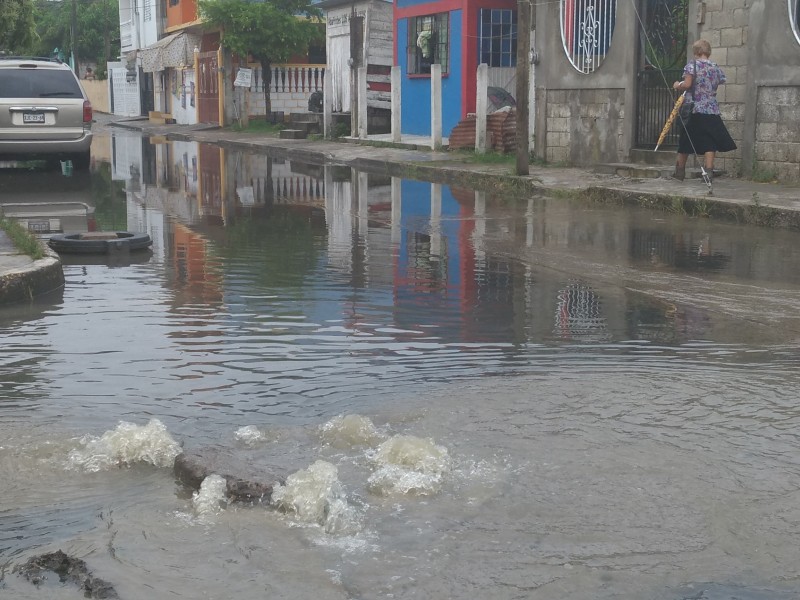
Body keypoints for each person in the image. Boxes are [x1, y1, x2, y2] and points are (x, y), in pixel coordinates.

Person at [671, 39, 736, 182]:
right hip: (711, 109)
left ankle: (679, 173)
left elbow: (688, 84)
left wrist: (677, 85)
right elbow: (718, 83)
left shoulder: (692, 66)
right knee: (709, 142)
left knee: (685, 141)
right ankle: (708, 174)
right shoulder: (715, 67)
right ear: (708, 52)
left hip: (694, 109)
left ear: (697, 52)